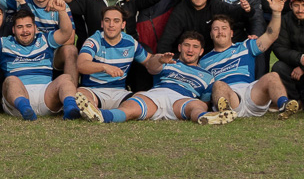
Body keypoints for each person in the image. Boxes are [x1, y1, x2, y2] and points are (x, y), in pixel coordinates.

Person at [0, 4, 80, 120]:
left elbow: (66, 33)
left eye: (28, 26)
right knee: (10, 80)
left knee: (66, 78)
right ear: (13, 30)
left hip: (46, 95)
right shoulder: (4, 43)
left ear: (35, 28)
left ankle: (71, 109)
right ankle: (26, 110)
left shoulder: (45, 39)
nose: (25, 31)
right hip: (18, 98)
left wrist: (62, 11)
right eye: (20, 27)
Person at [85, 32, 216, 123]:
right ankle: (102, 116)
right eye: (187, 45)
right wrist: (159, 60)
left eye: (195, 47)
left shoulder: (207, 76)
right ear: (180, 47)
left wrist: (200, 108)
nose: (190, 50)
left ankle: (205, 118)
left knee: (197, 105)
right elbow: (151, 67)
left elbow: (205, 102)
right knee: (132, 107)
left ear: (201, 51)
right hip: (157, 94)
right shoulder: (169, 62)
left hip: (183, 99)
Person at [199, 0, 292, 120]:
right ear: (211, 34)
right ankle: (226, 113)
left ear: (231, 33)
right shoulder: (204, 61)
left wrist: (276, 13)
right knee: (218, 85)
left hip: (251, 93)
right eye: (216, 29)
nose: (220, 32)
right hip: (230, 97)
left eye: (224, 28)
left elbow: (271, 36)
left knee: (273, 76)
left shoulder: (245, 46)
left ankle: (284, 105)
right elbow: (204, 90)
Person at [73, 5, 168, 117]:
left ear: (123, 24)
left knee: (146, 98)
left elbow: (148, 63)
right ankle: (96, 110)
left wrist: (159, 60)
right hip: (93, 90)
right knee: (81, 95)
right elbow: (81, 64)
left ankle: (107, 115)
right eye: (107, 20)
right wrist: (104, 67)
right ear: (102, 24)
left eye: (116, 21)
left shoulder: (130, 42)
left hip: (119, 93)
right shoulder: (94, 41)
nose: (111, 25)